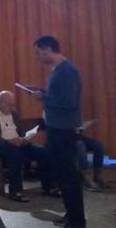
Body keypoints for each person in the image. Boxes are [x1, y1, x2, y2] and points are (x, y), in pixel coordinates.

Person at [33, 35, 85, 228]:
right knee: (62, 176)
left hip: (63, 130)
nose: (38, 57)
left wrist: (43, 97)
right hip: (57, 129)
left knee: (69, 177)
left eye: (39, 52)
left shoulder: (67, 70)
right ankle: (70, 215)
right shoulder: (58, 70)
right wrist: (45, 94)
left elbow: (69, 102)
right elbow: (60, 97)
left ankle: (77, 221)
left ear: (48, 49)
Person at [0, 91, 57, 201]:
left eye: (13, 105)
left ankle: (49, 187)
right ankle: (15, 191)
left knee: (43, 152)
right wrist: (9, 142)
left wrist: (23, 139)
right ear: (0, 102)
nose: (12, 108)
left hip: (17, 143)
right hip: (0, 146)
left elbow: (20, 132)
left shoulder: (14, 113)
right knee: (15, 155)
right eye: (9, 105)